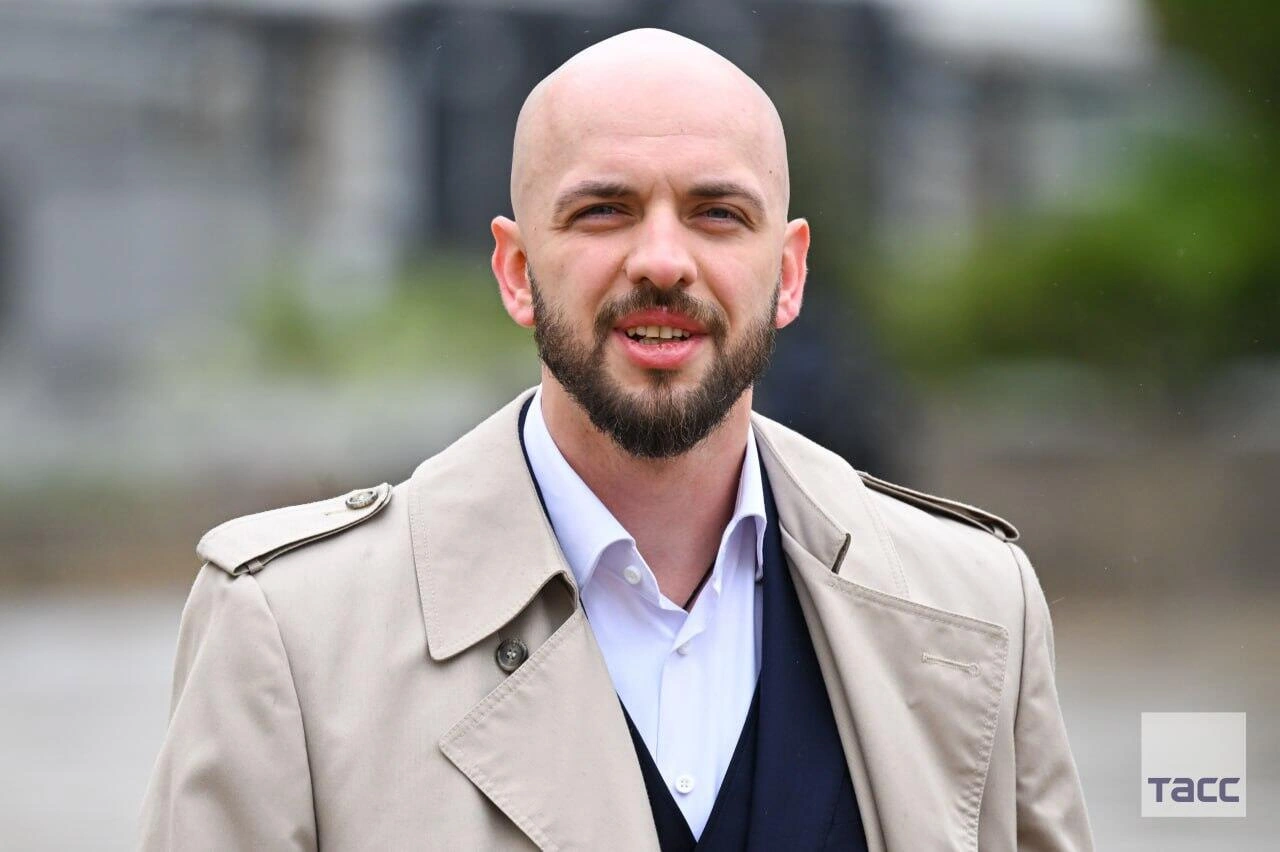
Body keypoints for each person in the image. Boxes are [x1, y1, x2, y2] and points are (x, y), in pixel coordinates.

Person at [141, 28, 1092, 851]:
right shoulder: (291, 633)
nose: (663, 261)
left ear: (789, 273)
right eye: (604, 210)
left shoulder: (977, 608)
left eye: (718, 213)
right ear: (516, 270)